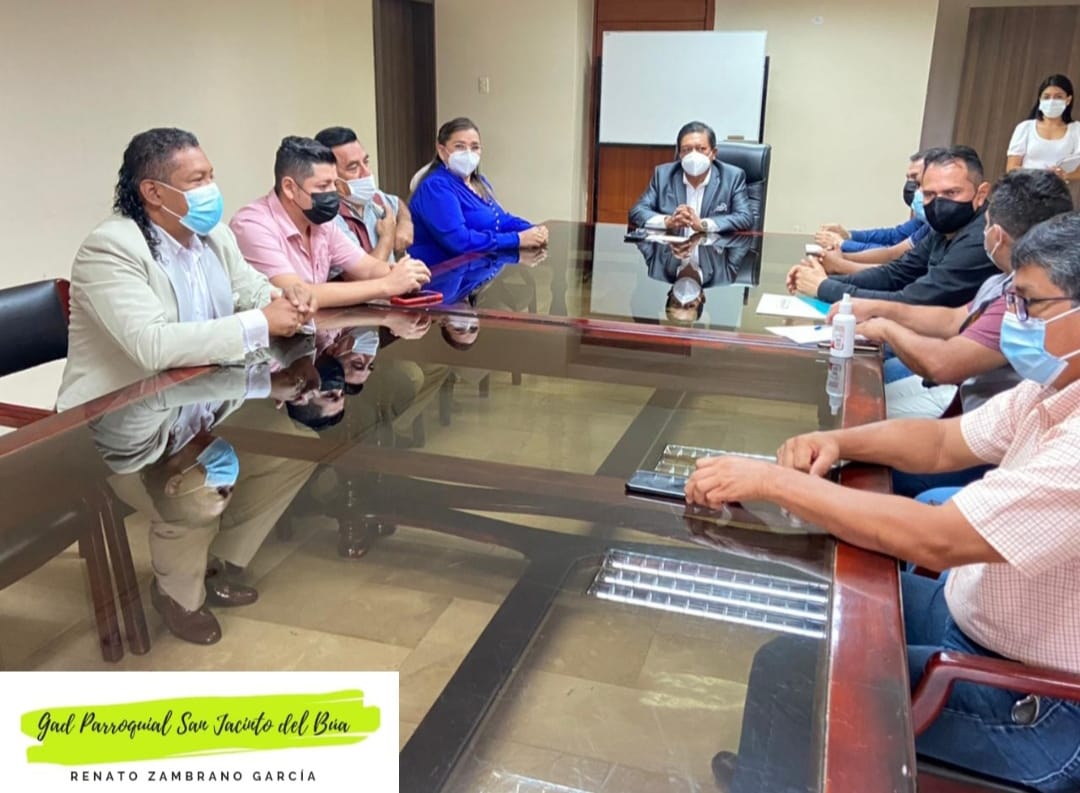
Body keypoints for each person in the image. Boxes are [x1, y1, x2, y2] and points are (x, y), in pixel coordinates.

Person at [687, 212, 1080, 793]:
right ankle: (771, 767)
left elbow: (938, 539)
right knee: (830, 601)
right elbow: (944, 441)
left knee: (790, 673)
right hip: (982, 614)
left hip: (1039, 706)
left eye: (1030, 304)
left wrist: (777, 483)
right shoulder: (1057, 387)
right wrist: (837, 442)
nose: (1014, 320)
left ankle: (772, 768)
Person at [57, 128, 316, 411]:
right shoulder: (110, 248)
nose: (211, 189)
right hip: (114, 416)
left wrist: (290, 301)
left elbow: (253, 292)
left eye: (211, 177)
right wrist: (262, 322)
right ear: (153, 192)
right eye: (197, 180)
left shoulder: (216, 236)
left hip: (197, 402)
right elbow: (152, 346)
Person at [93, 364, 316, 645]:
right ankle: (176, 597)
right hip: (131, 447)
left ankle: (211, 563)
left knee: (297, 448)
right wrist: (260, 383)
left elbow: (241, 352)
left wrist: (288, 362)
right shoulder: (130, 426)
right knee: (192, 500)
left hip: (197, 419)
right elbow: (154, 389)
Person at [850, 170, 1073, 422]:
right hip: (967, 394)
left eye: (986, 225)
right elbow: (953, 319)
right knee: (865, 395)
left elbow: (942, 364)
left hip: (986, 412)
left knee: (862, 411)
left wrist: (886, 329)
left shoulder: (1025, 300)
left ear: (997, 235)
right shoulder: (1002, 280)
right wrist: (878, 308)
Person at [231, 136, 430, 308]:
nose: (333, 193)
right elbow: (299, 294)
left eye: (334, 184)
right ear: (290, 188)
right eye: (323, 186)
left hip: (325, 333)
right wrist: (387, 285)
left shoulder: (321, 224)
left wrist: (404, 272)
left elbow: (367, 268)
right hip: (282, 340)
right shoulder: (252, 226)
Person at [789, 146, 999, 308]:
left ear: (981, 194)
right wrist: (824, 279)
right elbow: (896, 273)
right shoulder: (943, 229)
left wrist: (826, 287)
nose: (939, 203)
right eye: (929, 194)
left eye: (951, 193)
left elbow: (911, 302)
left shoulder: (981, 238)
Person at [408, 117, 548, 265]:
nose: (468, 153)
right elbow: (459, 241)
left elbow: (500, 220)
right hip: (441, 273)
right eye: (460, 146)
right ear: (442, 151)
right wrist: (518, 239)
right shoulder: (436, 187)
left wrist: (533, 230)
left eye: (474, 147)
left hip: (479, 267)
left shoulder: (480, 183)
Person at [628, 121, 754, 234]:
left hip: (714, 250)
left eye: (701, 149)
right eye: (686, 150)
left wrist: (704, 225)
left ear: (714, 153)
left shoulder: (732, 177)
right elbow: (637, 211)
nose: (694, 155)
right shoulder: (663, 175)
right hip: (672, 250)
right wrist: (667, 221)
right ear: (679, 154)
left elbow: (745, 217)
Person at [313, 125, 413, 261]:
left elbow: (397, 203)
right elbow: (363, 272)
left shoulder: (369, 197)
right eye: (353, 167)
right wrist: (387, 237)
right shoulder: (329, 219)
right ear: (330, 176)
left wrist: (405, 223)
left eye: (366, 162)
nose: (366, 173)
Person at [816, 150, 931, 261]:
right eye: (908, 178)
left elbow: (894, 254)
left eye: (915, 177)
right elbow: (894, 236)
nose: (910, 185)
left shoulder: (935, 224)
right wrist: (848, 236)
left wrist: (842, 244)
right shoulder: (924, 219)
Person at [1006, 74, 1080, 183]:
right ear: (1040, 99)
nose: (1052, 101)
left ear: (1068, 100)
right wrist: (1040, 174)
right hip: (1025, 188)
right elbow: (1011, 168)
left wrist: (1065, 175)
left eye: (1058, 97)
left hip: (1057, 190)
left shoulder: (1076, 130)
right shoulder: (1025, 128)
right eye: (1047, 97)